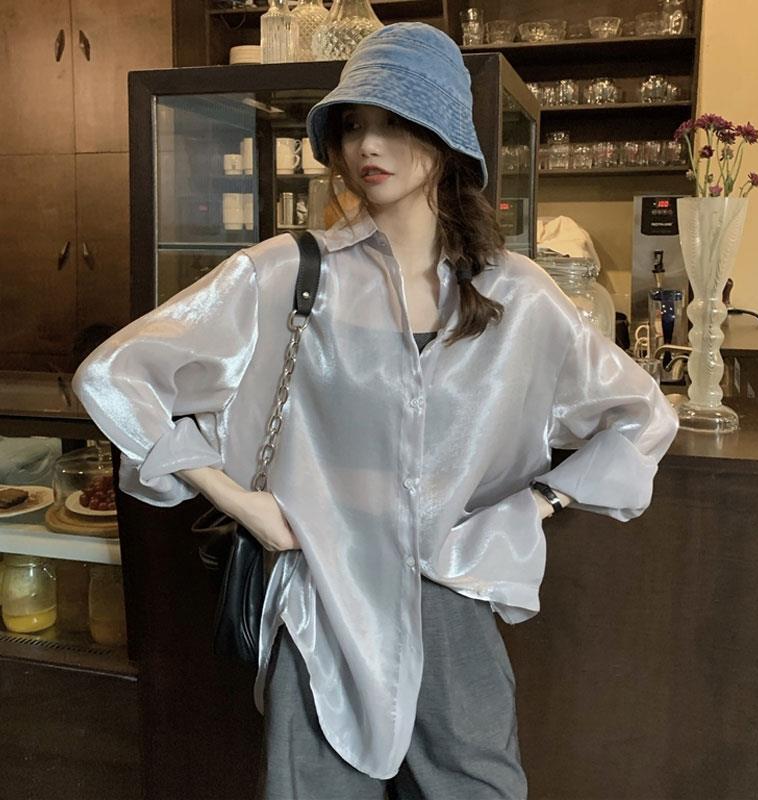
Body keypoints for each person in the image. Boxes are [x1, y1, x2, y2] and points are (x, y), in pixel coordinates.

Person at [72, 22, 679, 800]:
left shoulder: (517, 293)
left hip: (454, 602)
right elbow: (115, 375)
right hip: (324, 606)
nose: (368, 143)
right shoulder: (286, 273)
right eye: (354, 123)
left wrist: (537, 501)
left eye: (395, 121)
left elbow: (640, 416)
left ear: (445, 138)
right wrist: (241, 502)